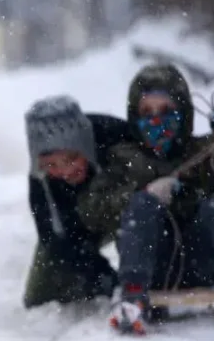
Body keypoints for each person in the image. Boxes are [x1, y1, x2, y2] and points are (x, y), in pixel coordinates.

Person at [75, 63, 214, 335]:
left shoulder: (204, 152)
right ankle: (132, 299)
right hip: (152, 267)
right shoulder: (123, 158)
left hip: (202, 261)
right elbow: (91, 211)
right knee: (141, 205)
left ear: (183, 113)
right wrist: (142, 196)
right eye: (146, 113)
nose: (156, 121)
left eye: (166, 112)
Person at [22, 96, 133, 309]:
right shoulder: (41, 181)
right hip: (78, 225)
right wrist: (102, 276)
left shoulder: (117, 137)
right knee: (39, 298)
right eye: (51, 165)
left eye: (72, 159)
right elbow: (54, 239)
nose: (65, 171)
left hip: (125, 210)